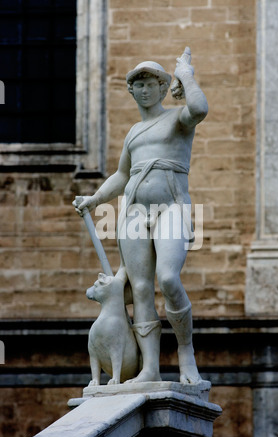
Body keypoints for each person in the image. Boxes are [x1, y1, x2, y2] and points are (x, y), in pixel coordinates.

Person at [74, 51, 208, 384]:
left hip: (171, 208)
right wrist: (94, 198)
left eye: (151, 84)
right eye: (139, 85)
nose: (145, 90)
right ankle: (149, 368)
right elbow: (121, 176)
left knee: (167, 278)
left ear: (164, 88)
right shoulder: (133, 133)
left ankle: (185, 350)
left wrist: (186, 74)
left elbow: (200, 109)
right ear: (132, 92)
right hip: (134, 212)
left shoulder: (178, 119)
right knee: (141, 289)